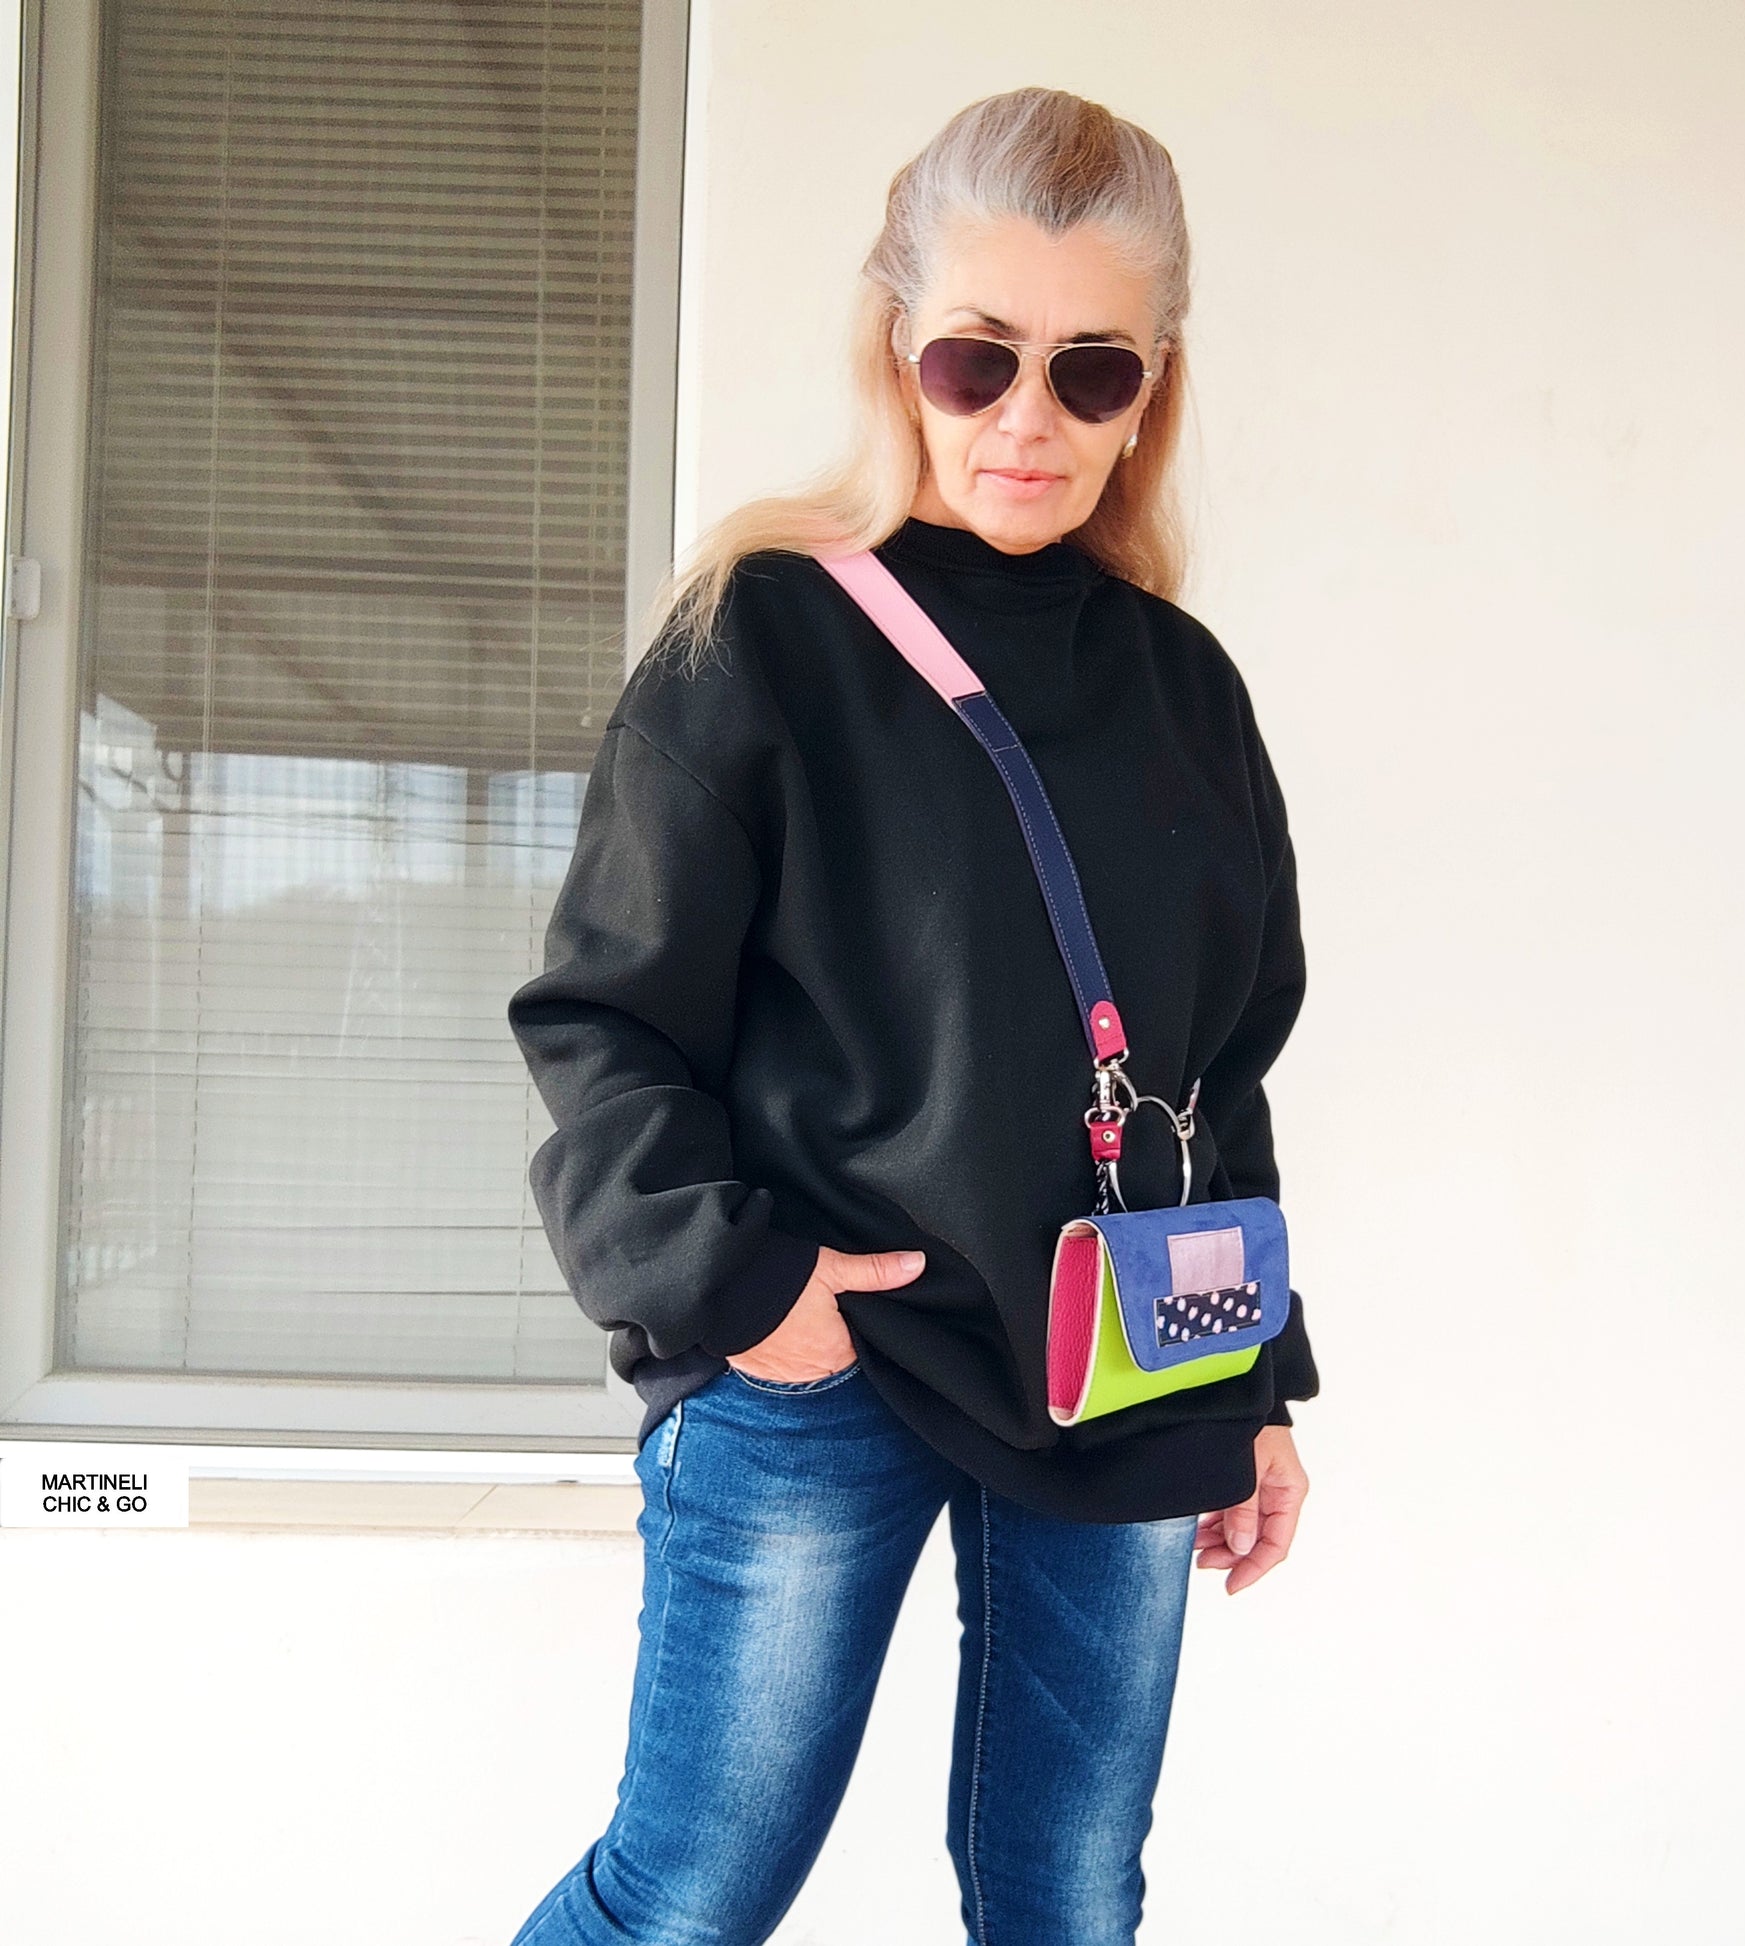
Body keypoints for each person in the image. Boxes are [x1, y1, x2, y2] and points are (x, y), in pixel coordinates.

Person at [504, 84, 1319, 1946]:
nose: (1027, 417)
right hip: (825, 1361)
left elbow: (1216, 1074)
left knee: (1069, 1901)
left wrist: (1254, 1379)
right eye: (977, 356)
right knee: (688, 1897)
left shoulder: (1185, 693)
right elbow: (603, 1019)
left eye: (1089, 371)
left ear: (1149, 389)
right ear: (898, 348)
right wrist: (743, 1291)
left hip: (1127, 1368)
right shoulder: (762, 635)